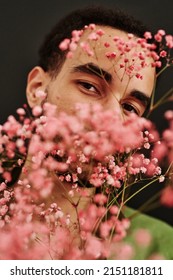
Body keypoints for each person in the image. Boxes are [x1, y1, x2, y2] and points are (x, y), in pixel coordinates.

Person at [1, 5, 173, 259]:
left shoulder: (159, 249)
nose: (111, 118)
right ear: (38, 89)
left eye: (130, 107)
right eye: (89, 86)